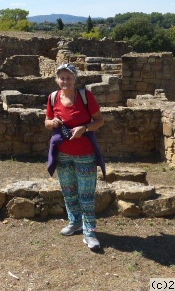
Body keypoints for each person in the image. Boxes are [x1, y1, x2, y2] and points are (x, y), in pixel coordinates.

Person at [44, 63, 106, 251]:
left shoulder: (86, 97)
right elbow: (46, 122)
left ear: (75, 79)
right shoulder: (53, 98)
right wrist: (52, 122)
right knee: (69, 191)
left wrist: (85, 128)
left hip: (85, 154)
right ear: (57, 80)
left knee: (86, 195)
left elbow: (99, 121)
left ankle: (90, 232)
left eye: (69, 78)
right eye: (62, 78)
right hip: (63, 154)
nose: (65, 81)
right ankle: (75, 222)